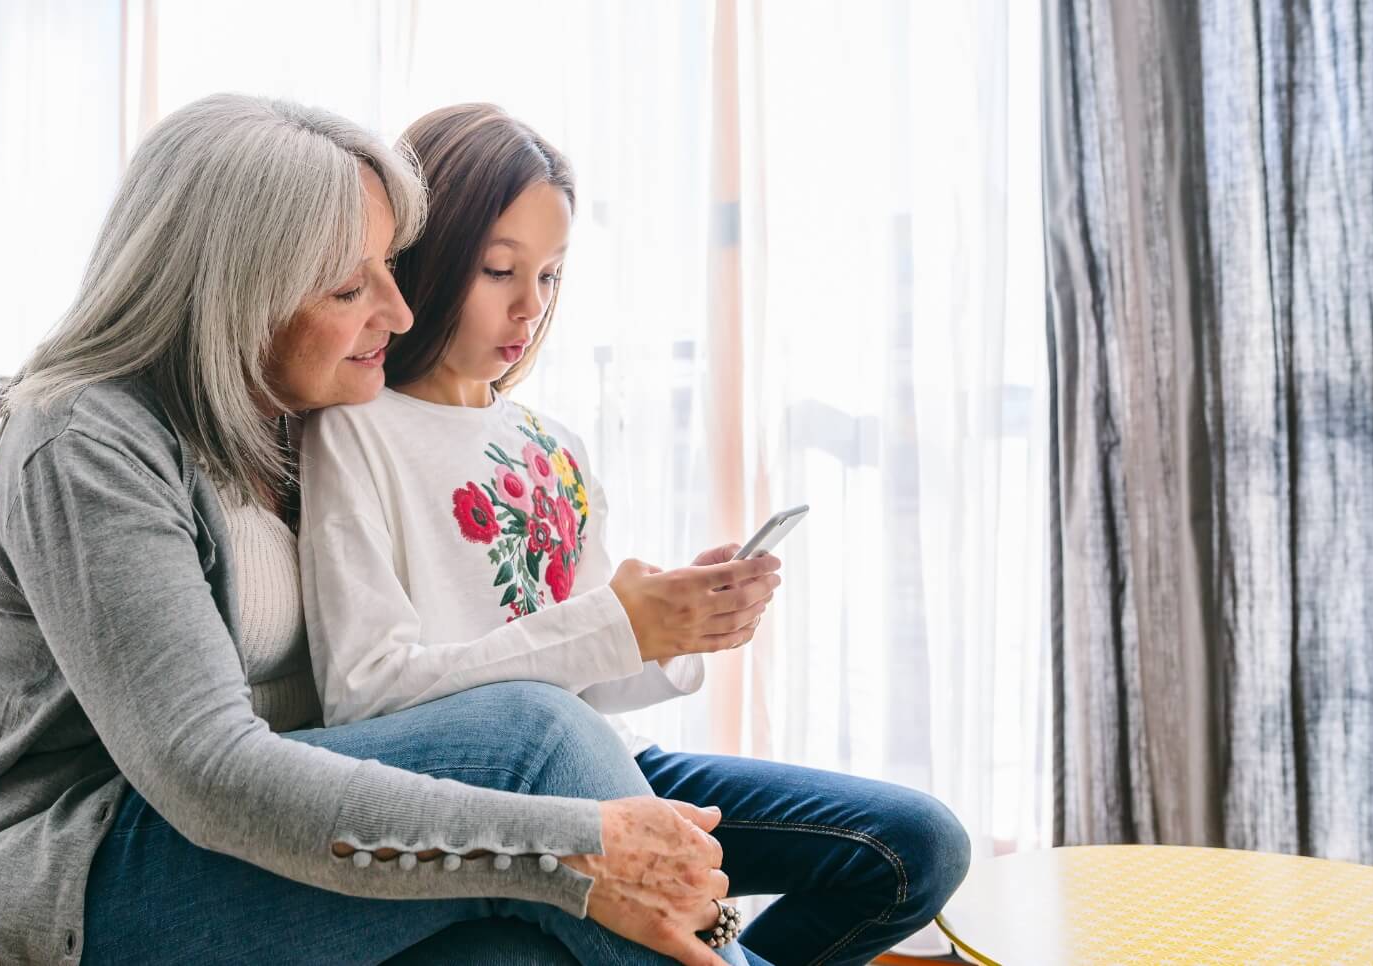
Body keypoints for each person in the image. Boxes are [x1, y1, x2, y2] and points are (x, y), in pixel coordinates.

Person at [0, 94, 746, 966]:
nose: (399, 314)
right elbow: (209, 775)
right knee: (531, 740)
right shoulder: (86, 444)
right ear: (234, 294)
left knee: (516, 949)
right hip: (76, 869)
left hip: (246, 834)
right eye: (348, 286)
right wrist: (571, 849)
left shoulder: (294, 417)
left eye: (389, 268)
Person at [299, 103, 972, 965]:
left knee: (916, 847)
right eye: (498, 270)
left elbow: (588, 670)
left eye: (549, 277)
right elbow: (364, 695)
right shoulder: (355, 432)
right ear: (424, 259)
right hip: (510, 803)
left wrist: (675, 624)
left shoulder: (550, 442)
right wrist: (617, 624)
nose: (528, 309)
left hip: (623, 763)